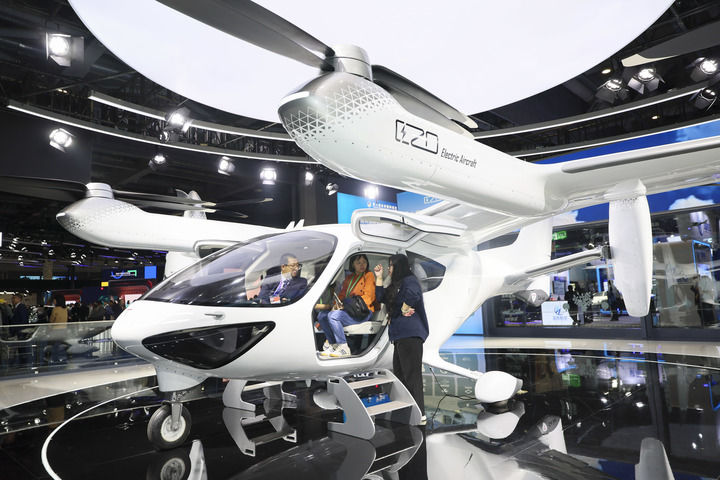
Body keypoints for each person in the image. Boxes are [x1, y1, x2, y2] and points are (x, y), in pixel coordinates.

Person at [374, 254, 428, 421]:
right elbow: (381, 297)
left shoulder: (409, 280)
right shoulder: (395, 284)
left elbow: (413, 294)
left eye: (391, 265)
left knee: (412, 377)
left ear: (399, 266)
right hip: (400, 336)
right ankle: (407, 413)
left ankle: (419, 414)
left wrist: (404, 307)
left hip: (410, 335)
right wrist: (379, 277)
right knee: (401, 376)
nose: (389, 268)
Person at [316, 253, 376, 358]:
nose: (362, 265)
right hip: (349, 311)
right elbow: (342, 295)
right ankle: (334, 345)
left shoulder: (368, 275)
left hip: (363, 311)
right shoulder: (349, 278)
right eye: (358, 263)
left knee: (333, 316)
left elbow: (368, 298)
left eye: (364, 262)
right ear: (352, 264)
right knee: (322, 315)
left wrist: (347, 307)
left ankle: (344, 348)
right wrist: (336, 305)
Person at [49, 294, 68, 363]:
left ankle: (55, 359)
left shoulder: (55, 309)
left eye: (54, 300)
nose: (53, 301)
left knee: (55, 345)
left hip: (56, 330)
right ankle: (63, 358)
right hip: (64, 329)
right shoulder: (65, 309)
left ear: (57, 301)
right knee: (61, 344)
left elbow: (51, 320)